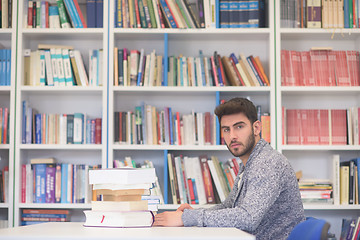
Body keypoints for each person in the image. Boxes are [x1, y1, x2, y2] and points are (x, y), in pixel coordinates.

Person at [153, 97, 305, 240]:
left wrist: (186, 218)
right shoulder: (250, 162)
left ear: (256, 128)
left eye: (239, 127)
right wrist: (193, 214)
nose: (232, 136)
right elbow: (229, 206)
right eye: (226, 129)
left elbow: (248, 218)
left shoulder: (267, 163)